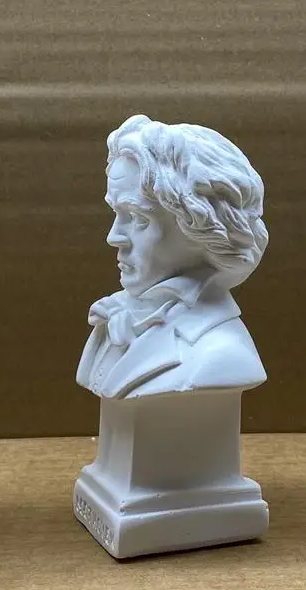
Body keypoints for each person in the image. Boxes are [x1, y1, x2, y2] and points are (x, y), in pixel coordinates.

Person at [76, 113, 268, 399]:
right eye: (116, 213)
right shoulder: (113, 318)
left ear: (200, 228)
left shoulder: (221, 352)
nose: (113, 237)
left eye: (138, 218)